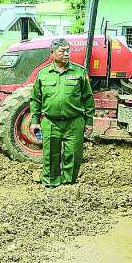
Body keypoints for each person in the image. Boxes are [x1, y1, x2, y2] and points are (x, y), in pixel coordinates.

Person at [29, 38, 95, 189]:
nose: (66, 54)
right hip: (50, 122)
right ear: (52, 53)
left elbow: (88, 98)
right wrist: (35, 121)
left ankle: (68, 187)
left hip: (74, 121)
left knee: (73, 155)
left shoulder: (79, 72)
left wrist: (89, 122)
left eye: (68, 51)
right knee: (50, 155)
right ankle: (50, 185)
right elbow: (35, 99)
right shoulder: (43, 73)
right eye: (62, 51)